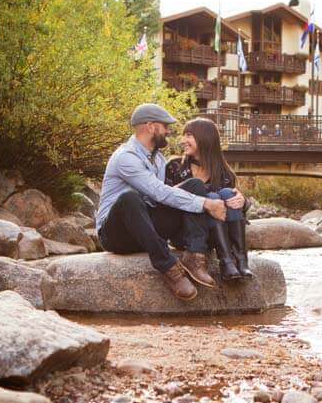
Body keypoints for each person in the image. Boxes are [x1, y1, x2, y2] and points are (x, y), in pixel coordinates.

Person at [96, 103, 228, 302]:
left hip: (145, 227)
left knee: (194, 185)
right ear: (150, 127)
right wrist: (206, 204)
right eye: (165, 126)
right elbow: (158, 193)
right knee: (130, 198)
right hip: (115, 234)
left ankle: (194, 255)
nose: (168, 131)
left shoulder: (158, 159)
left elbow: (162, 199)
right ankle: (169, 268)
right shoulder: (125, 157)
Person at [165, 117, 253, 281]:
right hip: (186, 233)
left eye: (189, 135)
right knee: (212, 197)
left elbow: (234, 207)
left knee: (229, 193)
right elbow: (164, 200)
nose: (183, 140)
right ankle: (226, 261)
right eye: (184, 135)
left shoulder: (224, 174)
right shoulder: (175, 167)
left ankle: (239, 261)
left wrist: (243, 201)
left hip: (216, 236)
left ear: (205, 138)